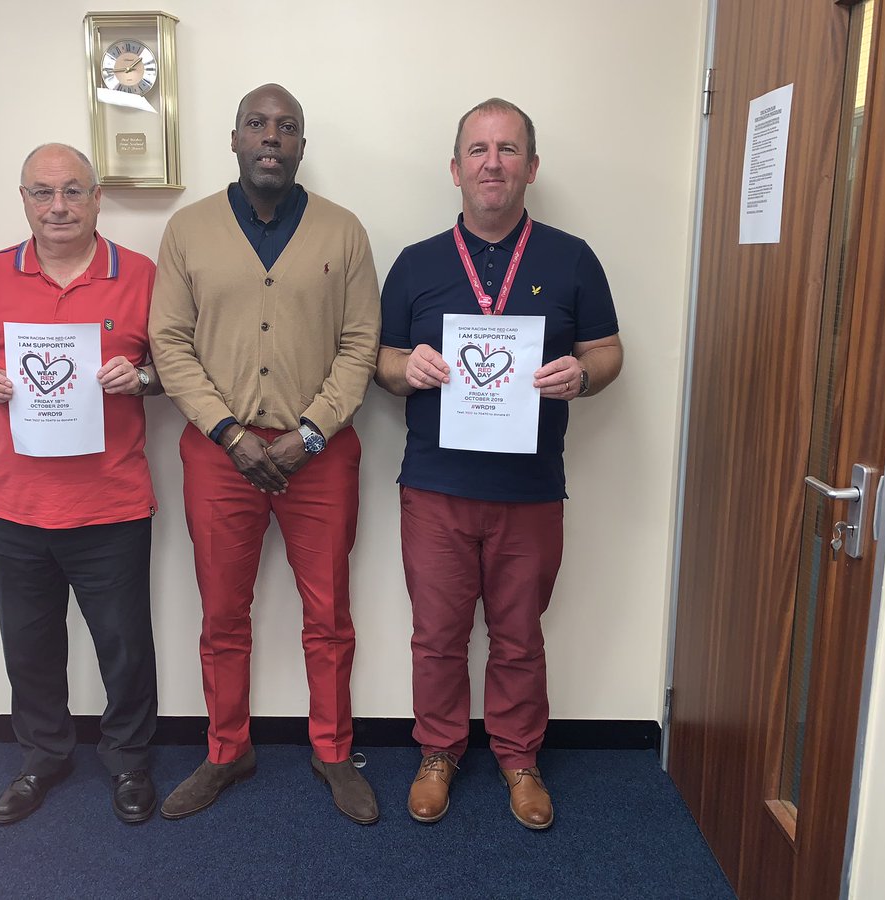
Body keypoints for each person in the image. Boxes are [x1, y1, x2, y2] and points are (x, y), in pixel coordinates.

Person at [374, 99, 623, 829]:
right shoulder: (417, 263)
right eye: (478, 150)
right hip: (436, 488)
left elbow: (609, 352)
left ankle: (519, 755)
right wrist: (405, 367)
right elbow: (381, 361)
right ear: (455, 169)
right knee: (438, 635)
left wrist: (584, 372)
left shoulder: (572, 258)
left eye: (508, 150)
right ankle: (438, 751)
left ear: (532, 167)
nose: (492, 163)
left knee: (519, 634)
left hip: (530, 489)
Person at [149, 83, 381, 825]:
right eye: (257, 124)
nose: (270, 137)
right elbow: (170, 344)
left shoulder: (343, 232)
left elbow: (360, 344)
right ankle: (226, 751)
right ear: (235, 139)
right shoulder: (187, 231)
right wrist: (229, 432)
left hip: (321, 454)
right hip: (220, 457)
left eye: (286, 127)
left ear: (302, 146)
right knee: (223, 613)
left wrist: (309, 432)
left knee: (330, 613)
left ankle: (334, 752)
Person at [0, 143, 163, 826]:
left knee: (125, 647)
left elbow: (175, 368)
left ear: (98, 198)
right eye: (43, 193)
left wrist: (144, 378)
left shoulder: (144, 276)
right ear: (24, 200)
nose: (59, 206)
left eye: (73, 191)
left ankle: (128, 761)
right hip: (14, 503)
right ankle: (43, 757)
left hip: (111, 503)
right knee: (30, 646)